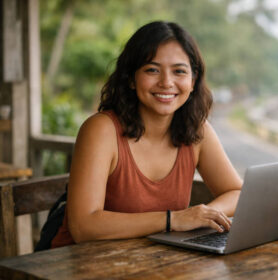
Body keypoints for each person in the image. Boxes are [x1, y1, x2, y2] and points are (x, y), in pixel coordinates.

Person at [51, 21, 242, 247]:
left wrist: (204, 215)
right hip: (78, 265)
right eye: (152, 70)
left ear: (192, 81)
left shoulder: (197, 132)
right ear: (131, 78)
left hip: (151, 262)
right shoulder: (101, 130)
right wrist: (174, 220)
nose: (166, 83)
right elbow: (84, 227)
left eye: (179, 71)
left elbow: (237, 192)